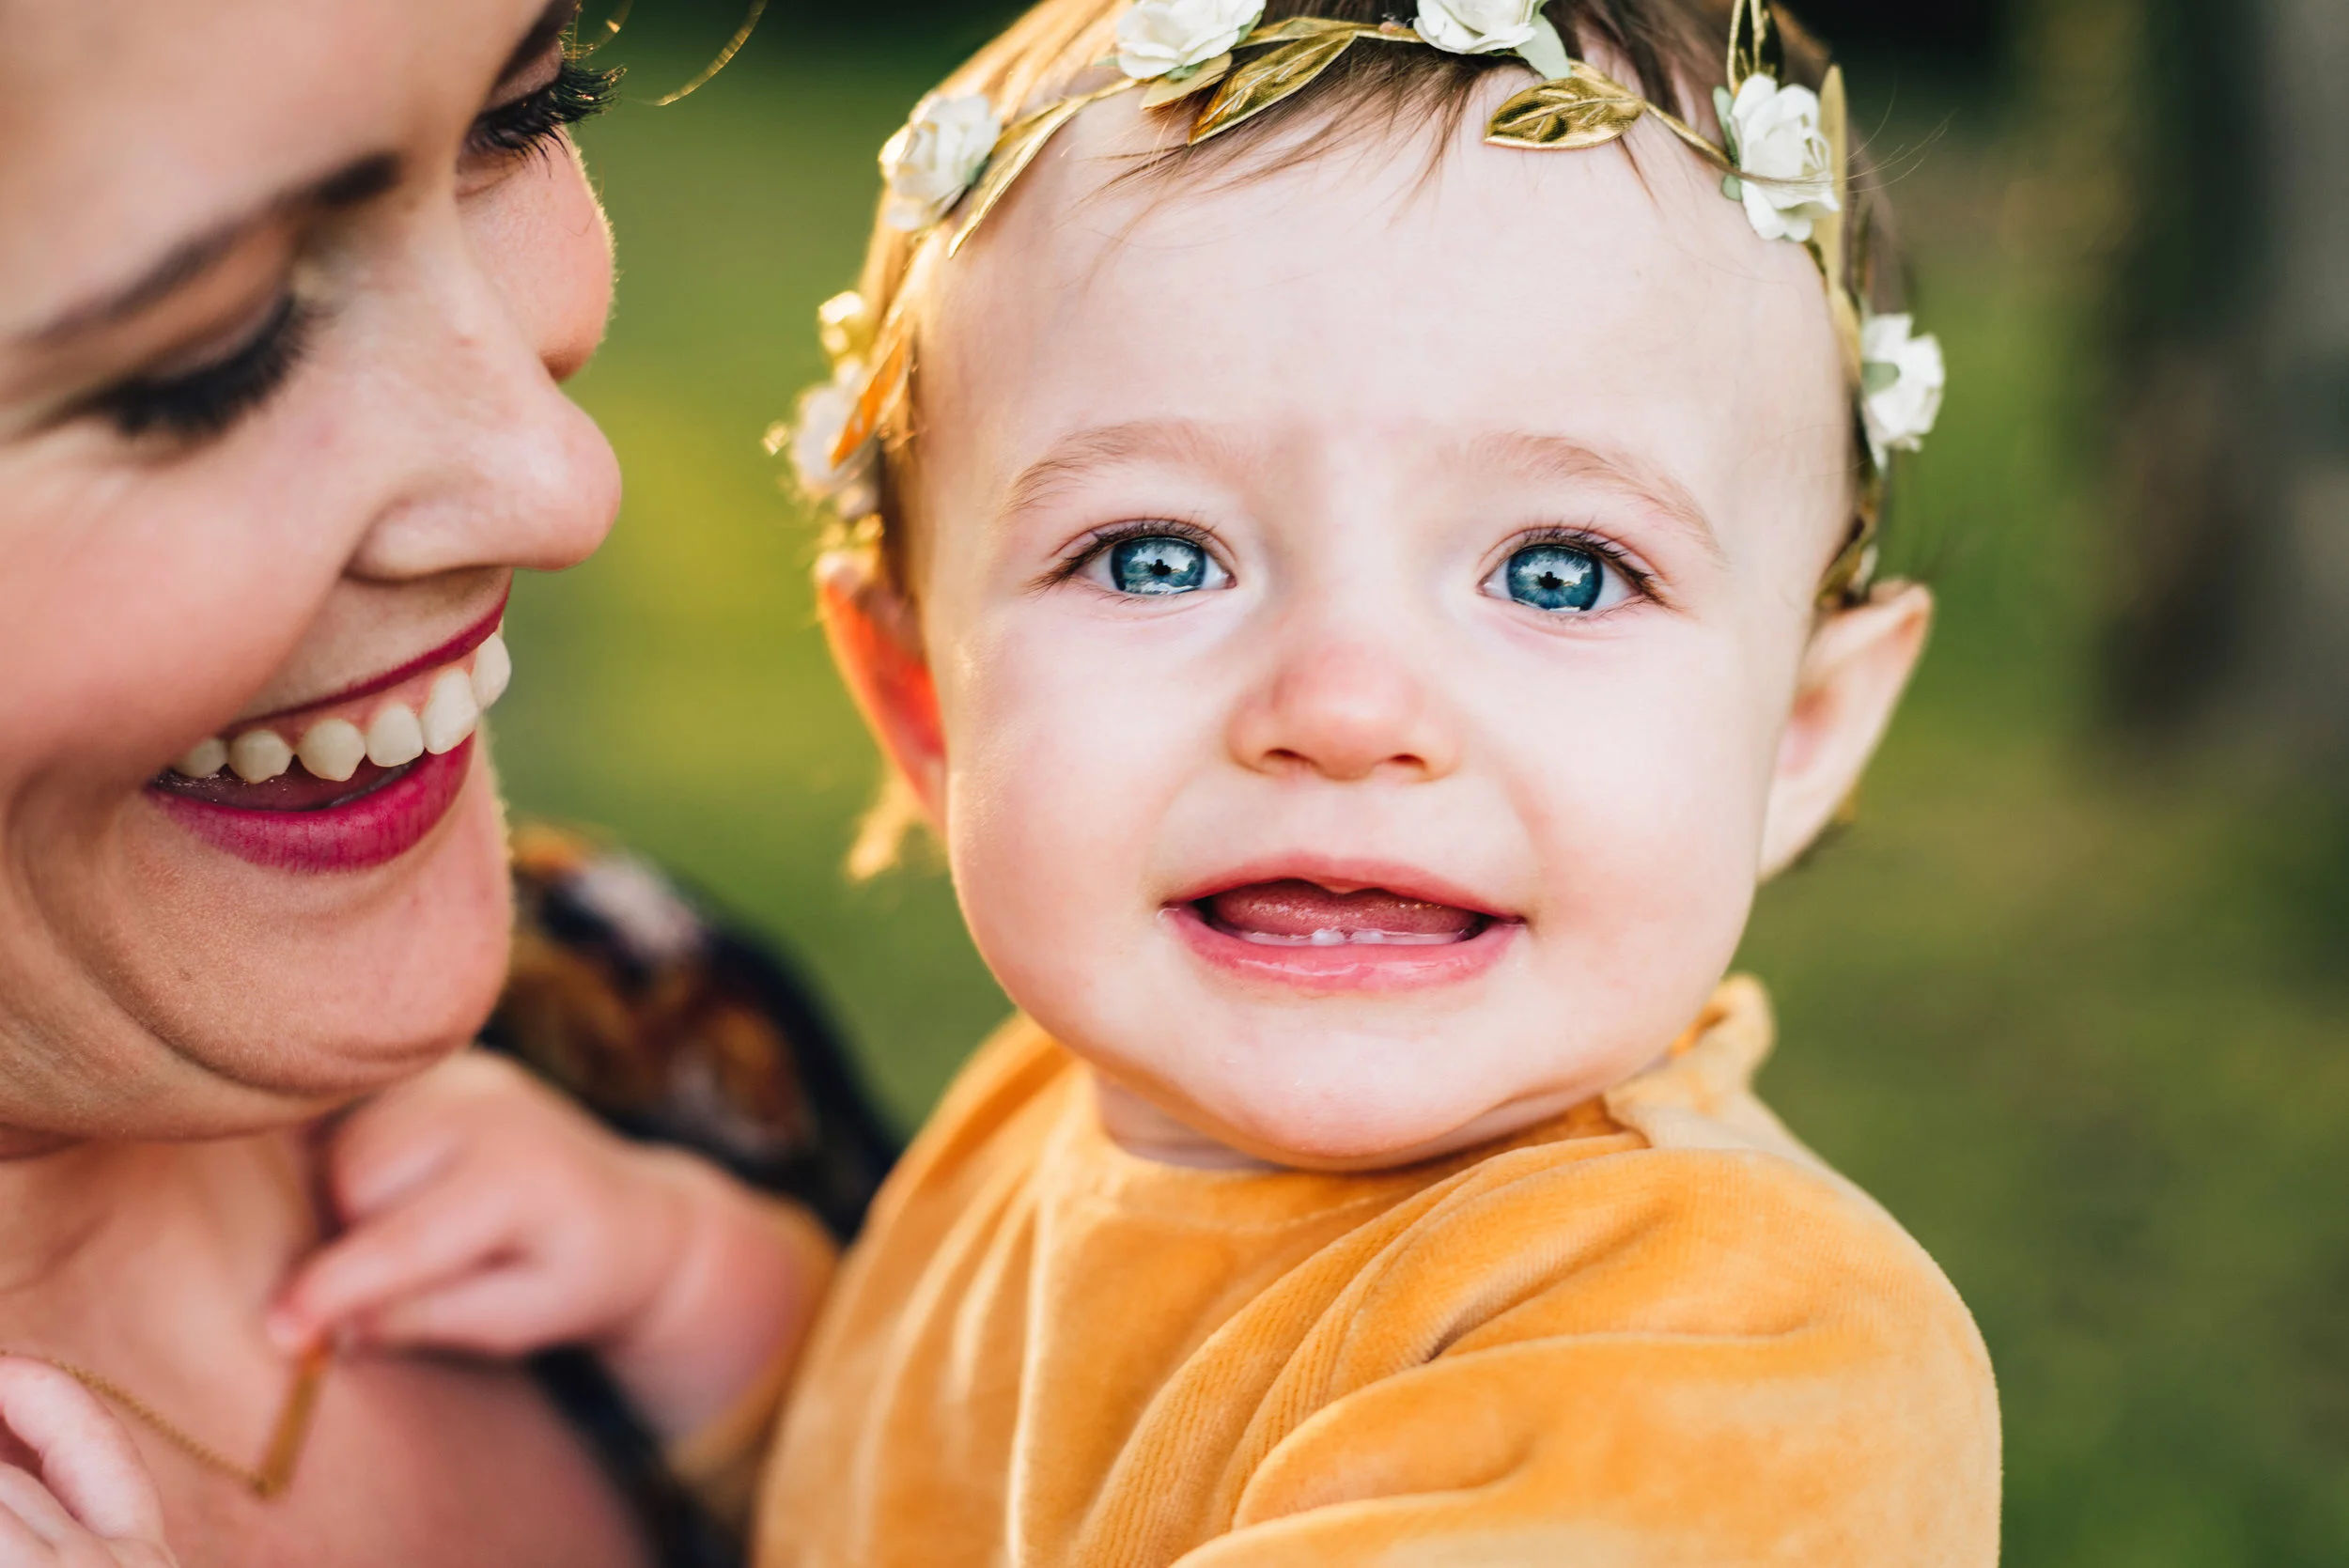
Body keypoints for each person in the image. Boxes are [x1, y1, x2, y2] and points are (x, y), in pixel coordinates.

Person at [222, 0, 1996, 1562]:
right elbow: (937, 1495)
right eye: (1156, 556)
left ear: (1805, 735)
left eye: (1560, 572)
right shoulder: (1045, 1117)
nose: (1349, 705)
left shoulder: (1738, 1358)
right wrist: (704, 1297)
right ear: (921, 700)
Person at [0, 2, 841, 1563]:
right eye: (209, 348)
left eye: (520, 114)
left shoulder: (630, 1031)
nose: (562, 482)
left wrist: (735, 1304)